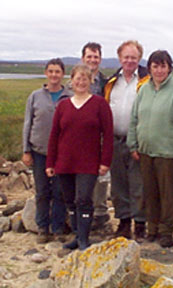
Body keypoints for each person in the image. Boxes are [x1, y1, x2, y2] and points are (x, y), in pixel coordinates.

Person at [127, 50, 173, 248]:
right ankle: (152, 229)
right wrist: (133, 143)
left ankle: (166, 232)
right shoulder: (143, 89)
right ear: (150, 68)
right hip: (146, 151)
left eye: (163, 66)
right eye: (155, 66)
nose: (159, 70)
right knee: (150, 193)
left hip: (169, 153)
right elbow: (134, 118)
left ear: (169, 68)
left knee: (167, 194)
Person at [46, 64, 113, 250]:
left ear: (90, 81)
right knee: (70, 201)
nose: (81, 82)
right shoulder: (63, 106)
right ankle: (76, 236)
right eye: (77, 79)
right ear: (71, 81)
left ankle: (84, 239)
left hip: (89, 162)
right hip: (65, 162)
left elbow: (108, 135)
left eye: (85, 79)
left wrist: (105, 161)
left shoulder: (100, 104)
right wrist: (50, 162)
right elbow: (54, 136)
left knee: (83, 199)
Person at [22, 58, 71, 244]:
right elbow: (28, 124)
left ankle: (58, 228)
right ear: (45, 73)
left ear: (62, 74)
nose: (54, 75)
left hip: (62, 154)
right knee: (42, 191)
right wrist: (26, 150)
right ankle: (42, 227)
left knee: (60, 192)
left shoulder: (69, 96)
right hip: (39, 151)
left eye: (57, 71)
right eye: (50, 71)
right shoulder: (35, 96)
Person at [105, 40, 149, 241]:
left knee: (138, 184)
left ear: (139, 58)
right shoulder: (112, 82)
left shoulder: (147, 81)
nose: (129, 61)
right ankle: (123, 222)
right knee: (118, 184)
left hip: (138, 142)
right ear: (119, 58)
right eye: (126, 57)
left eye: (133, 57)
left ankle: (140, 224)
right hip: (114, 140)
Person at [81, 42, 110, 230]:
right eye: (89, 56)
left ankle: (100, 213)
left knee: (101, 177)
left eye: (96, 57)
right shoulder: (75, 80)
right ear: (83, 58)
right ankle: (82, 212)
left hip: (99, 136)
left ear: (100, 59)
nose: (92, 60)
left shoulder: (107, 83)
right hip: (79, 137)